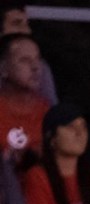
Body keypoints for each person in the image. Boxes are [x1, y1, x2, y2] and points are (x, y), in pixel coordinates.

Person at [0, 33, 47, 163]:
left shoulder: (48, 113)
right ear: (4, 68)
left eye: (37, 59)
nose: (35, 67)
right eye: (25, 60)